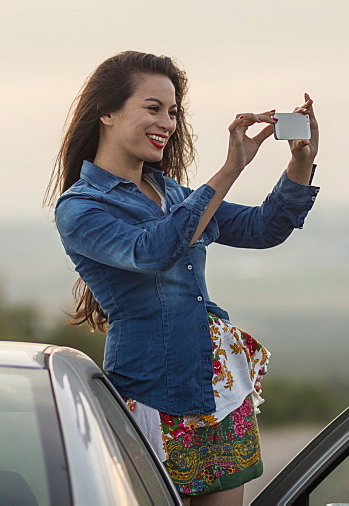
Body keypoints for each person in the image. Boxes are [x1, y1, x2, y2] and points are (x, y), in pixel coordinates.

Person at [46, 51, 319, 505]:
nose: (168, 123)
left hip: (218, 390)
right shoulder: (80, 207)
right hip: (149, 396)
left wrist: (301, 161)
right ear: (106, 112)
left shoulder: (172, 191)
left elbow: (263, 228)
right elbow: (152, 251)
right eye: (153, 108)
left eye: (173, 111)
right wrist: (230, 169)